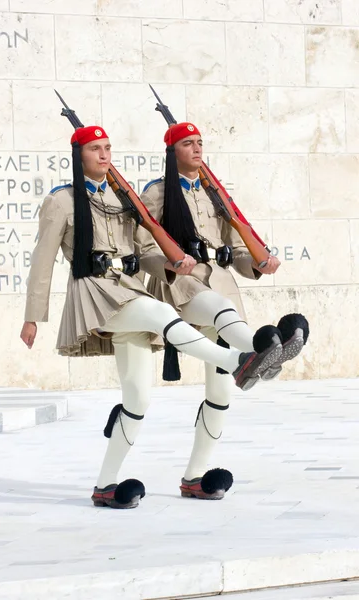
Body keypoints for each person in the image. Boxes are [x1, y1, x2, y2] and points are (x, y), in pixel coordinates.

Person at [138, 121, 309, 500]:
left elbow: (238, 246)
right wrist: (169, 265)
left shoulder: (215, 192)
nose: (197, 149)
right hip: (183, 287)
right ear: (172, 152)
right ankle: (258, 352)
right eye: (187, 144)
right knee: (218, 308)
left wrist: (258, 264)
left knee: (220, 394)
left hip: (222, 284)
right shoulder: (157, 193)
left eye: (200, 142)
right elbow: (142, 247)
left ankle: (194, 477)